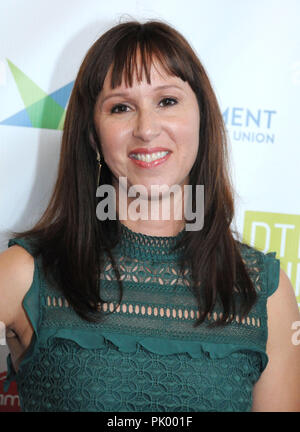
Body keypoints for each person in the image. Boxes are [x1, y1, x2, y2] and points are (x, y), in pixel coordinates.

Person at [0, 19, 299, 412]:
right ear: (93, 134)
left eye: (167, 101)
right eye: (121, 107)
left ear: (202, 118)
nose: (146, 129)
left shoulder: (265, 292)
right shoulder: (25, 273)